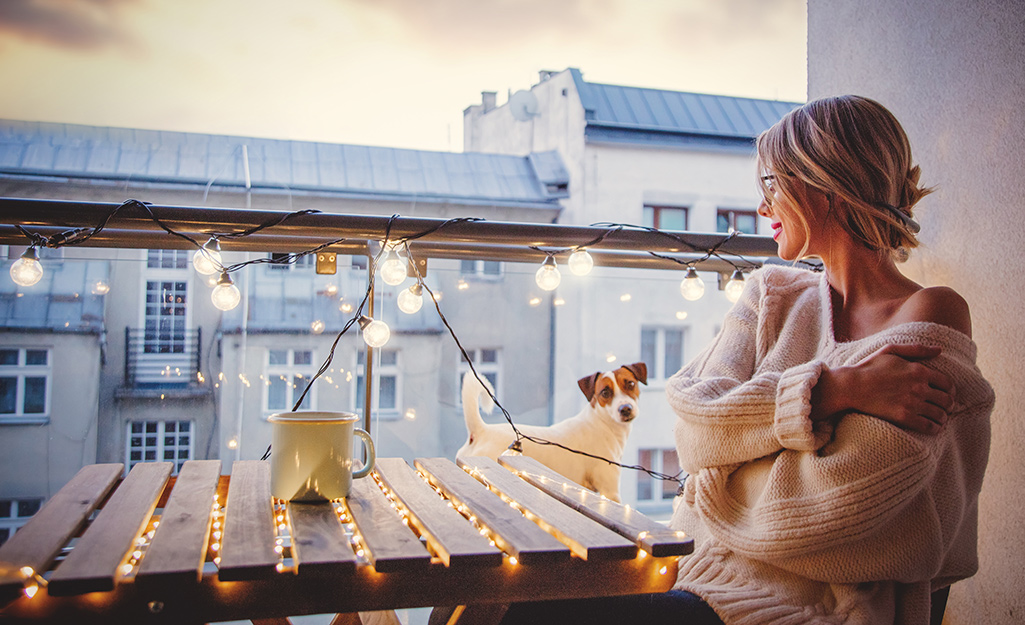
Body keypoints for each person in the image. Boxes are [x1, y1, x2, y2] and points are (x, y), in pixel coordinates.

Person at [497, 95, 995, 625]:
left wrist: (728, 470)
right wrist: (831, 392)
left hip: (812, 611)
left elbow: (835, 510)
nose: (763, 207)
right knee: (499, 594)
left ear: (826, 186)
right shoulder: (772, 293)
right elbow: (692, 433)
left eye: (772, 185)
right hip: (692, 577)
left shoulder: (931, 312)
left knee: (525, 608)